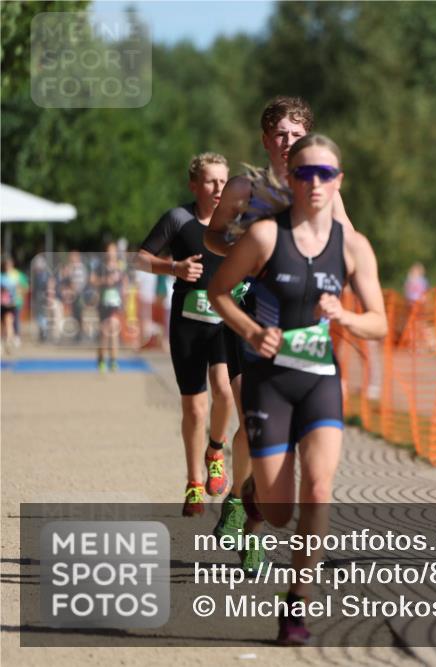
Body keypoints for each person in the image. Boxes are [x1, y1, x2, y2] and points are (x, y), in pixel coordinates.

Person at [208, 133, 387, 645]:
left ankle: (297, 604)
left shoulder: (352, 246)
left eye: (325, 174)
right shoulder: (265, 237)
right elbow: (220, 291)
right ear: (290, 178)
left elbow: (378, 321)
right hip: (268, 382)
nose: (314, 183)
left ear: (338, 182)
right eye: (305, 173)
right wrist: (250, 332)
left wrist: (345, 315)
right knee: (281, 510)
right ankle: (252, 495)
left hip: (319, 381)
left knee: (319, 489)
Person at [203, 97, 356, 573]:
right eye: (279, 134)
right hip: (250, 310)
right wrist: (244, 252)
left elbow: (348, 240)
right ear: (266, 140)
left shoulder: (321, 186)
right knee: (250, 402)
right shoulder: (245, 187)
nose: (287, 142)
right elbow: (213, 235)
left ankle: (246, 510)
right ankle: (242, 501)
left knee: (282, 432)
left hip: (300, 319)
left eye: (295, 134)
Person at [136, 152, 236, 516]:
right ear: (194, 185)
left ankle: (216, 449)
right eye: (210, 181)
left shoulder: (238, 223)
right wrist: (173, 267)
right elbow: (140, 258)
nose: (218, 188)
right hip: (188, 323)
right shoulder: (178, 219)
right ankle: (194, 481)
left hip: (226, 320)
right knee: (194, 406)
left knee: (224, 390)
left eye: (223, 181)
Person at [93, 241, 127, 371]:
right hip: (103, 302)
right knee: (104, 333)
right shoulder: (100, 266)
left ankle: (113, 361)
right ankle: (101, 359)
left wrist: (124, 298)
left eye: (113, 251)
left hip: (115, 302)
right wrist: (104, 281)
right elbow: (92, 280)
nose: (111, 253)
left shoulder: (120, 266)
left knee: (113, 330)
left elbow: (125, 282)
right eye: (109, 251)